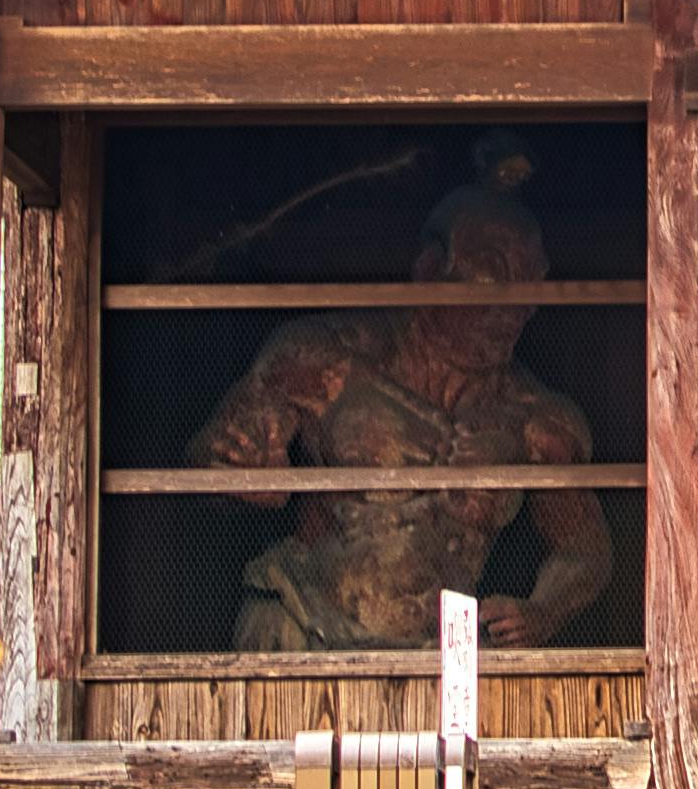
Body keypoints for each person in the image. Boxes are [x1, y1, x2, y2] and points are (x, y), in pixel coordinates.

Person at [194, 139, 616, 652]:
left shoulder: (534, 417)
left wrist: (544, 609)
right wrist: (242, 472)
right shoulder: (329, 359)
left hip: (441, 652)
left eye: (533, 279)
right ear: (431, 269)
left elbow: (584, 548)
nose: (519, 302)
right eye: (498, 273)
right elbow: (211, 458)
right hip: (306, 623)